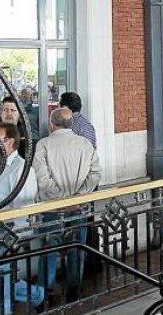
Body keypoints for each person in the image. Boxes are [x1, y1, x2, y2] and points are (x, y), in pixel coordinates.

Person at [33, 108, 101, 301]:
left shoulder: (43, 144)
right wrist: (77, 197)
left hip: (52, 208)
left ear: (51, 124)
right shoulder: (85, 144)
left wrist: (60, 199)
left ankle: (45, 291)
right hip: (78, 207)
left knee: (48, 249)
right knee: (77, 248)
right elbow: (95, 173)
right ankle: (74, 289)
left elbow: (42, 178)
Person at [0, 123, 43, 314]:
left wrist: (11, 240)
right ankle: (36, 295)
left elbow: (25, 212)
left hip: (4, 235)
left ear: (10, 142)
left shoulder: (22, 171)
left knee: (0, 286)